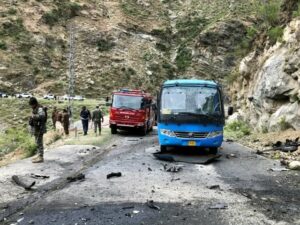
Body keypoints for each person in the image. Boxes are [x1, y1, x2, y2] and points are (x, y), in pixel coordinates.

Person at [28, 97, 47, 163]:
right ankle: (39, 155)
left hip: (40, 128)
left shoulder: (40, 108)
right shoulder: (36, 108)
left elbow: (42, 116)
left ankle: (41, 157)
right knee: (37, 142)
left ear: (34, 104)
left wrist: (33, 116)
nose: (31, 106)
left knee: (39, 142)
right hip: (37, 128)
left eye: (31, 105)